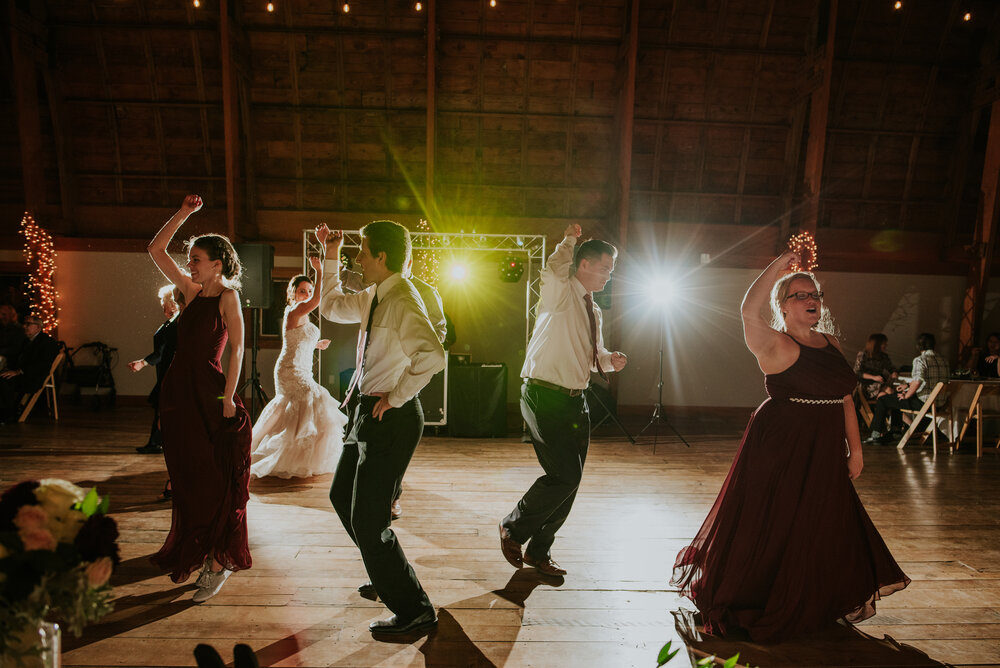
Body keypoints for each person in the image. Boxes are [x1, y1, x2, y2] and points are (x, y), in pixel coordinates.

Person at [671, 252, 909, 642]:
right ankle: (759, 592)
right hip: (780, 443)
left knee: (821, 519)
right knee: (773, 518)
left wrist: (857, 449)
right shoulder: (772, 342)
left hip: (823, 445)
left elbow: (844, 398)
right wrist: (780, 264)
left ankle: (812, 595)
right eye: (799, 294)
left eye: (813, 293)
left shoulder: (830, 342)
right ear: (783, 306)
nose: (810, 298)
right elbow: (748, 309)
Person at [316, 221, 445, 636]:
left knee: (370, 522)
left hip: (391, 417)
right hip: (365, 414)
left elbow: (433, 355)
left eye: (362, 251)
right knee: (342, 498)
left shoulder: (403, 299)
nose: (358, 258)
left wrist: (397, 396)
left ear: (382, 256)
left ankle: (415, 610)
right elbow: (331, 307)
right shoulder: (376, 295)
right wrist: (331, 255)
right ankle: (386, 570)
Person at [500, 225, 627, 578]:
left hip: (576, 399)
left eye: (611, 271)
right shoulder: (559, 291)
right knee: (564, 475)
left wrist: (608, 360)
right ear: (583, 264)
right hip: (543, 393)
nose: (608, 276)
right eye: (605, 268)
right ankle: (513, 527)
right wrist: (569, 240)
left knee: (572, 480)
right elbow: (554, 268)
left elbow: (592, 356)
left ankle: (539, 551)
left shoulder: (594, 310)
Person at [146, 194, 252, 604]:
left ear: (217, 264)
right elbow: (155, 248)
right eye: (189, 259)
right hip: (178, 391)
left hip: (210, 393)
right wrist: (184, 214)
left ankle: (218, 559)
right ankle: (199, 547)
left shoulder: (227, 297)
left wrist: (229, 397)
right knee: (186, 475)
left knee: (215, 478)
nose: (189, 264)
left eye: (196, 259)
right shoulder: (189, 292)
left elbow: (238, 349)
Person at [340, 256, 447, 520]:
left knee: (387, 460)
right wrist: (331, 263)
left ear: (406, 260)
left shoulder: (423, 292)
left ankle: (390, 498)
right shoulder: (375, 287)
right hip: (367, 382)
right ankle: (369, 504)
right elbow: (350, 282)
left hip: (398, 379)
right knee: (349, 485)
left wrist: (406, 343)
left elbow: (438, 335)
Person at [250, 257, 347, 478]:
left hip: (303, 368)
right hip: (290, 370)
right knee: (315, 398)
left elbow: (298, 339)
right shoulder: (294, 311)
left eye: (309, 290)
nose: (307, 294)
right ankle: (274, 456)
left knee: (301, 411)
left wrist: (316, 344)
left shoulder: (302, 317)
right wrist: (320, 271)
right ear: (292, 293)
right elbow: (318, 300)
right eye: (302, 291)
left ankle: (300, 460)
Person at [865, 332, 951, 445]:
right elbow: (930, 381)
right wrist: (908, 386)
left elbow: (918, 381)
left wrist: (906, 395)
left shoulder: (920, 360)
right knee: (895, 398)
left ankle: (876, 435)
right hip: (939, 404)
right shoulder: (944, 361)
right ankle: (895, 431)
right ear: (933, 345)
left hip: (924, 403)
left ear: (918, 346)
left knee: (884, 400)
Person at [130, 286, 182, 456]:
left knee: (163, 409)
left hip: (170, 372)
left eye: (164, 303)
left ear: (173, 303)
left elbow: (162, 352)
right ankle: (157, 442)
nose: (162, 306)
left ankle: (157, 443)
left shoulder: (175, 324)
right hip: (165, 372)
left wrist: (143, 363)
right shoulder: (170, 323)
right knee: (162, 409)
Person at [0, 314, 59, 423]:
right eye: (24, 324)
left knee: (4, 381)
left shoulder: (47, 342)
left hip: (33, 377)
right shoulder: (27, 341)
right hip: (26, 374)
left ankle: (7, 415)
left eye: (28, 324)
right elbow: (19, 359)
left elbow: (41, 364)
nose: (24, 326)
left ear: (38, 327)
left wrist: (18, 371)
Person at [854, 333, 896, 402]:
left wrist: (894, 372)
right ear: (877, 344)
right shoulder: (863, 355)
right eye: (884, 343)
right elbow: (857, 372)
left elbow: (891, 368)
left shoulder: (884, 356)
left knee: (884, 395)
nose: (886, 345)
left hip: (878, 384)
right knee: (889, 391)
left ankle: (878, 411)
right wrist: (873, 377)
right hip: (865, 385)